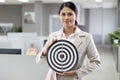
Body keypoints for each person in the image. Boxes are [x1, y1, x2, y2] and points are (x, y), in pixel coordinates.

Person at [36, 1, 101, 80]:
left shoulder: (86, 37)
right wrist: (46, 48)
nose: (66, 17)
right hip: (53, 77)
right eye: (63, 14)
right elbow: (39, 62)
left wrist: (76, 72)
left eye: (70, 14)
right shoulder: (53, 36)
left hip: (74, 78)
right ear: (59, 16)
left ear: (76, 16)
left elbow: (96, 62)